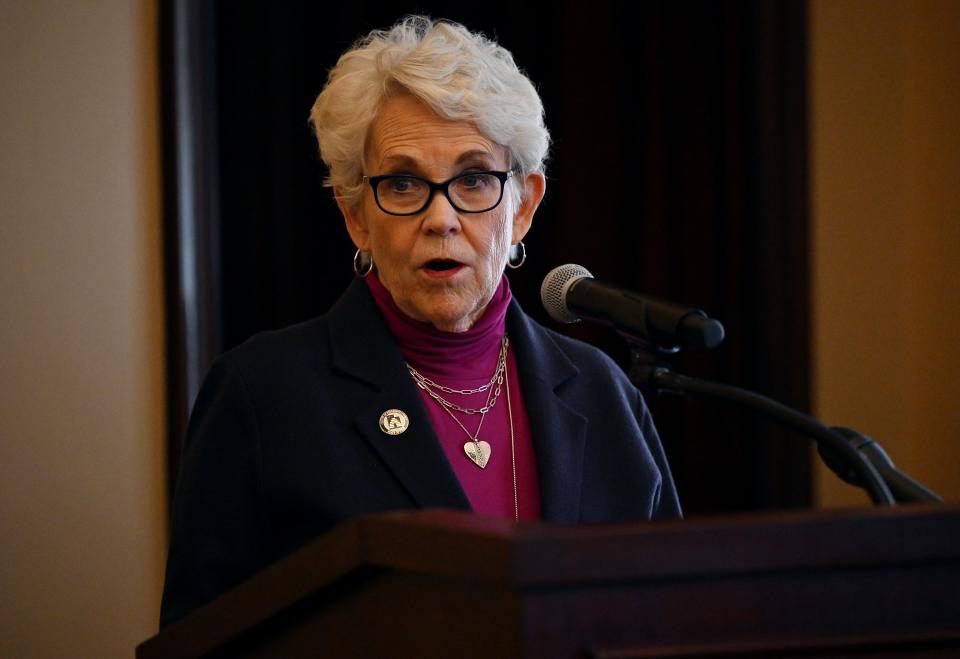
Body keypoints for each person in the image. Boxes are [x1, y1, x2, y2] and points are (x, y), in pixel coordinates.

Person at [159, 15, 681, 629]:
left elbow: (667, 623)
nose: (441, 218)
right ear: (356, 215)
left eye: (474, 179)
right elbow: (200, 640)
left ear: (523, 208)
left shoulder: (603, 392)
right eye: (404, 183)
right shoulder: (261, 396)